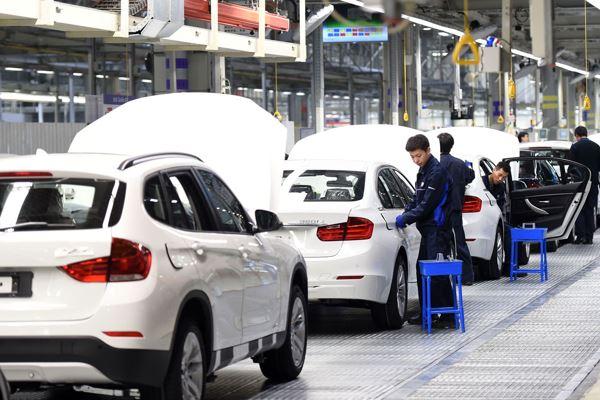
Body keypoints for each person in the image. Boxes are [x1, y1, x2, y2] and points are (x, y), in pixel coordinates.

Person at [395, 134, 454, 327]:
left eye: (418, 155)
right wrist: (407, 210)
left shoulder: (437, 173)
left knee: (437, 273)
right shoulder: (423, 171)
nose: (416, 160)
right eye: (412, 157)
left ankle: (447, 316)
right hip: (427, 231)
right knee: (423, 272)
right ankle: (427, 312)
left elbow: (427, 205)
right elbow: (417, 198)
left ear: (428, 150)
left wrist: (406, 218)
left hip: (438, 230)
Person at [438, 133, 476, 285]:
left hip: (439, 211)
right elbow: (471, 176)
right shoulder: (460, 164)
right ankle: (467, 277)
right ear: (451, 146)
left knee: (441, 243)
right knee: (460, 242)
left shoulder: (435, 163)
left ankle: (444, 277)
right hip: (455, 208)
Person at [570, 126, 600, 244]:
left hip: (580, 184)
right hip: (593, 183)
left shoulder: (575, 146)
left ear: (577, 135)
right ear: (586, 134)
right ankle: (589, 237)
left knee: (579, 209)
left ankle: (580, 236)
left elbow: (571, 166)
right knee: (590, 209)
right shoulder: (596, 147)